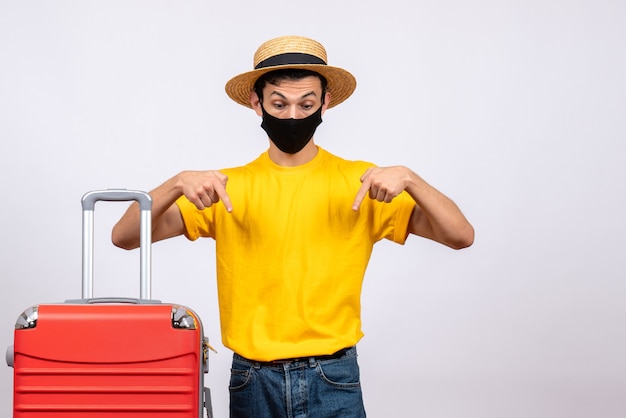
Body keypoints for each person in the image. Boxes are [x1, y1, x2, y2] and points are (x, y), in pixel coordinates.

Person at [112, 35, 474, 418]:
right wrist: (176, 182)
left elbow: (460, 235)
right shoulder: (225, 189)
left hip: (333, 375)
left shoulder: (361, 184)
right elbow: (124, 237)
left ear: (325, 103)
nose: (292, 116)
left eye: (307, 104)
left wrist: (411, 178)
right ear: (257, 103)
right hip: (253, 379)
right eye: (279, 104)